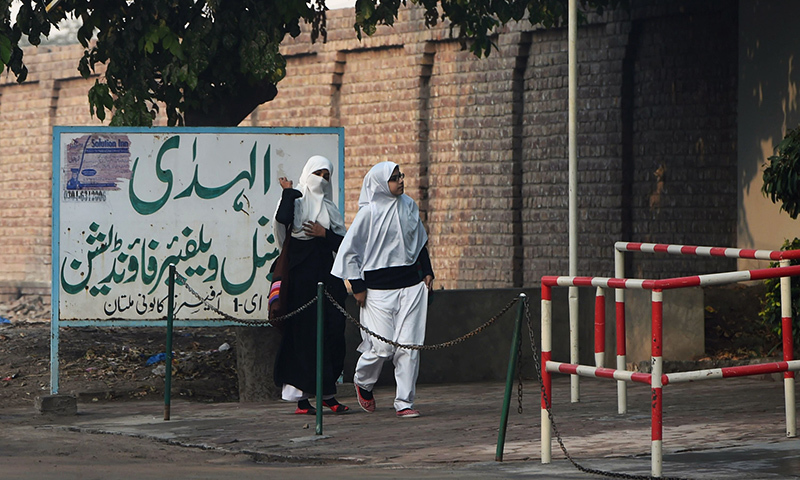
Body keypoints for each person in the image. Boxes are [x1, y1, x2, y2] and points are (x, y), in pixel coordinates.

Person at [331, 161, 434, 419]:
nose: (401, 181)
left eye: (401, 176)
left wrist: (427, 270)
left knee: (409, 347)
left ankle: (404, 402)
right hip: (377, 291)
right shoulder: (370, 213)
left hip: (411, 286)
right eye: (394, 177)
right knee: (381, 348)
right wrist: (357, 285)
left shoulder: (409, 205)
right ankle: (363, 382)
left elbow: (418, 241)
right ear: (380, 183)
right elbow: (350, 251)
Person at [272, 155, 350, 415]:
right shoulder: (296, 203)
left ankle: (327, 393)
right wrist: (288, 192)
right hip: (300, 284)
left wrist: (323, 234)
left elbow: (344, 244)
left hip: (327, 282)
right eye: (318, 174)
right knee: (302, 338)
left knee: (331, 334)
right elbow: (283, 221)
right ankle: (302, 400)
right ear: (307, 174)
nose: (322, 181)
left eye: (327, 176)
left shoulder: (330, 209)